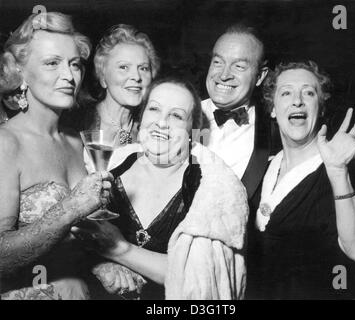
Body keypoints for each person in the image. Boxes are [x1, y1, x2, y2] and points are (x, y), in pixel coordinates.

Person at [72, 77, 249, 300]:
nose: (161, 122)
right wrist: (99, 265)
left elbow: (200, 279)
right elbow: (79, 243)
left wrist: (119, 249)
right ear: (142, 116)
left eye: (176, 115)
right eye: (154, 109)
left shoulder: (212, 188)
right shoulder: (115, 165)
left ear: (193, 130)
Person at [0, 12, 113, 300]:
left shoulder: (76, 140)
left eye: (75, 64)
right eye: (52, 63)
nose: (69, 76)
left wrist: (104, 264)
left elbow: (82, 237)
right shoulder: (6, 143)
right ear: (20, 72)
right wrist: (71, 208)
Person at [246, 61, 355, 299]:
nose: (297, 100)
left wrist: (338, 172)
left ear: (320, 108)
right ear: (273, 108)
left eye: (308, 93)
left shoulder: (338, 169)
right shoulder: (261, 167)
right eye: (286, 92)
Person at [201, 24, 270, 200]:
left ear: (260, 76)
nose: (224, 75)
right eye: (218, 62)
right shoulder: (181, 114)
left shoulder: (275, 130)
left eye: (238, 66)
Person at [78, 24, 159, 146]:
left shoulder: (153, 127)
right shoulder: (78, 123)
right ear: (102, 76)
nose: (136, 77)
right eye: (123, 67)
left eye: (143, 68)